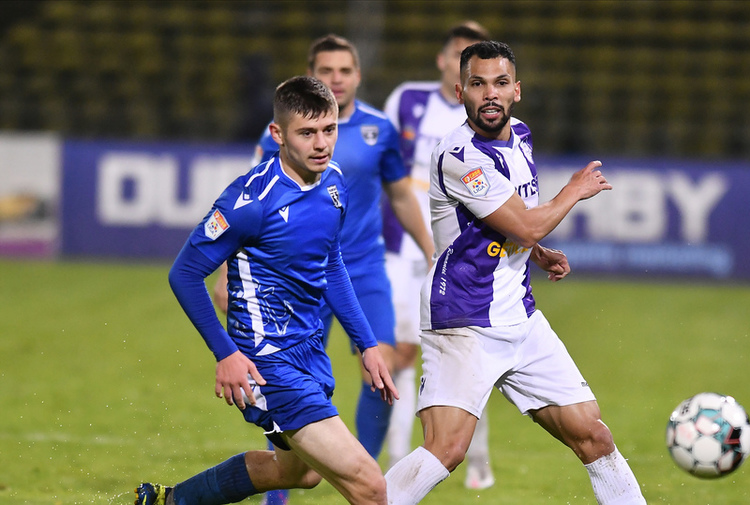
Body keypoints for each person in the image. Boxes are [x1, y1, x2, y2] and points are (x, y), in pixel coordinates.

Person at [383, 41, 647, 504]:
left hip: (520, 318)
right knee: (446, 449)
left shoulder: (520, 135)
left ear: (517, 91)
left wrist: (536, 249)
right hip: (463, 318)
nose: (490, 94)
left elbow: (514, 218)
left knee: (593, 434)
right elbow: (524, 220)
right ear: (461, 90)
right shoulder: (459, 155)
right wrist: (573, 191)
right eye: (478, 84)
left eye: (500, 83)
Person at [136, 76, 398, 505]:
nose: (321, 143)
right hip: (266, 361)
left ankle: (168, 501)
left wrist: (367, 344)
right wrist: (226, 353)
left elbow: (330, 264)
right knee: (370, 485)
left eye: (329, 130)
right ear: (278, 134)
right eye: (307, 133)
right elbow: (184, 274)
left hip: (309, 352)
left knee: (297, 473)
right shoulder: (249, 201)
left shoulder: (333, 183)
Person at [219, 34, 433, 505]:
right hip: (296, 279)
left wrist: (430, 249)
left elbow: (399, 195)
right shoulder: (284, 132)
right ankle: (288, 492)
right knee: (289, 379)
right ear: (313, 75)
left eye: (345, 70)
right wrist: (224, 277)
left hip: (363, 270)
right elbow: (251, 207)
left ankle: (367, 477)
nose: (336, 79)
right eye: (327, 71)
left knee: (381, 373)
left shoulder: (380, 130)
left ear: (358, 75)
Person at [380, 21, 496, 490]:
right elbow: (383, 166)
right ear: (445, 62)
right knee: (399, 354)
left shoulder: (488, 121)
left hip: (462, 253)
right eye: (460, 54)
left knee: (471, 357)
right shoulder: (408, 100)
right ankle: (394, 459)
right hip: (400, 246)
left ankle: (479, 457)